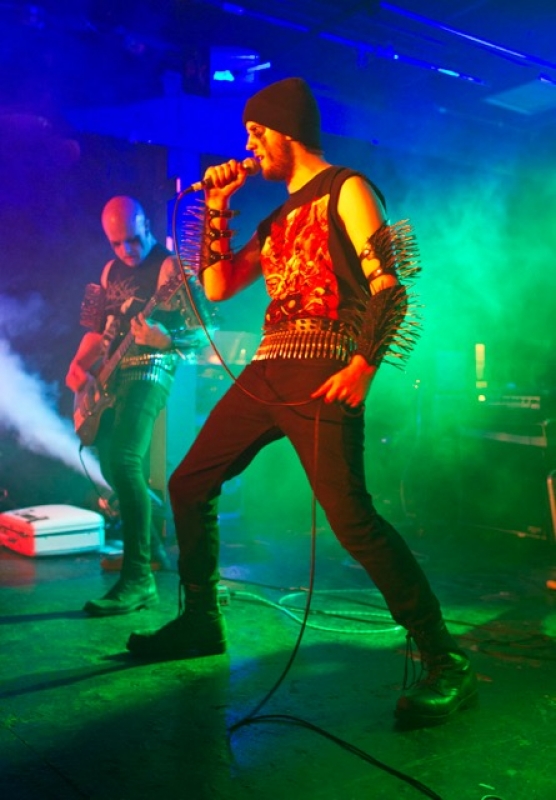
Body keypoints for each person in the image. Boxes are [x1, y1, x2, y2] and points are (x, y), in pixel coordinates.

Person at [126, 78, 478, 727]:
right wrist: (218, 206)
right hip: (267, 369)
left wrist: (364, 366)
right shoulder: (275, 220)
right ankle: (201, 619)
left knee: (352, 521)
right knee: (188, 482)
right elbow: (218, 285)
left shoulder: (348, 188)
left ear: (285, 130)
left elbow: (389, 286)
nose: (249, 146)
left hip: (322, 368)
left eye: (256, 133)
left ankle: (445, 657)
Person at [66, 195, 209, 616]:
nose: (126, 250)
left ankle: (138, 579)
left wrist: (165, 340)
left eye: (133, 239)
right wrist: (78, 367)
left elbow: (206, 332)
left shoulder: (171, 268)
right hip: (112, 376)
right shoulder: (108, 272)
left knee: (125, 458)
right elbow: (97, 332)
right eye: (116, 243)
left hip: (152, 369)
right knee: (112, 467)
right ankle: (152, 551)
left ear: (147, 225)